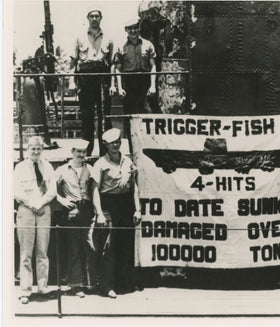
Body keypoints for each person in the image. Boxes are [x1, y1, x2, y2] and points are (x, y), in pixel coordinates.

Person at [93, 128, 141, 298]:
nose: (115, 145)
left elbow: (134, 186)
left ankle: (124, 283)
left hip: (126, 205)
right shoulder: (100, 164)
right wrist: (99, 212)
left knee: (125, 244)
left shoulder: (128, 162)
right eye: (112, 143)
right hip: (108, 205)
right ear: (105, 145)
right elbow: (95, 191)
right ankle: (107, 286)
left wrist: (137, 209)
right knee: (109, 245)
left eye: (118, 142)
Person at [55, 140, 106, 298]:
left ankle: (91, 283)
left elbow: (95, 190)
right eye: (78, 151)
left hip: (88, 211)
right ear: (72, 151)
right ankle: (76, 286)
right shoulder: (62, 170)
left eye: (84, 151)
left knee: (90, 246)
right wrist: (63, 201)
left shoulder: (90, 169)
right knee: (74, 249)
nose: (81, 155)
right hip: (72, 212)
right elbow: (51, 190)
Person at [14, 136, 57, 304]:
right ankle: (25, 290)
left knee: (42, 251)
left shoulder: (48, 167)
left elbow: (52, 190)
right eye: (33, 148)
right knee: (25, 253)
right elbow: (16, 190)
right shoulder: (19, 167)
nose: (36, 151)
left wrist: (40, 203)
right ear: (27, 149)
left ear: (42, 150)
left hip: (43, 210)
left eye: (39, 148)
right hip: (26, 210)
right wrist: (32, 204)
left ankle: (42, 287)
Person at [70, 8, 113, 156]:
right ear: (87, 18)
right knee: (86, 115)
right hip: (85, 78)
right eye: (91, 16)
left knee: (104, 117)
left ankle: (105, 153)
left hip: (102, 77)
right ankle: (86, 153)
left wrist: (112, 83)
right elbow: (73, 62)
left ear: (101, 18)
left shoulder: (108, 37)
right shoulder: (79, 37)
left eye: (97, 16)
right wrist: (71, 82)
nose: (94, 18)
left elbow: (113, 64)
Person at [110, 19, 156, 154]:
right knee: (129, 117)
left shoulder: (148, 45)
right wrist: (119, 87)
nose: (133, 31)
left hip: (144, 82)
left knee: (145, 115)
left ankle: (147, 149)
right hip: (129, 82)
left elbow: (153, 66)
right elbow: (118, 68)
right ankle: (132, 149)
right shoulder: (121, 46)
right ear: (126, 30)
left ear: (139, 29)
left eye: (135, 28)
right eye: (130, 28)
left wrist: (152, 86)